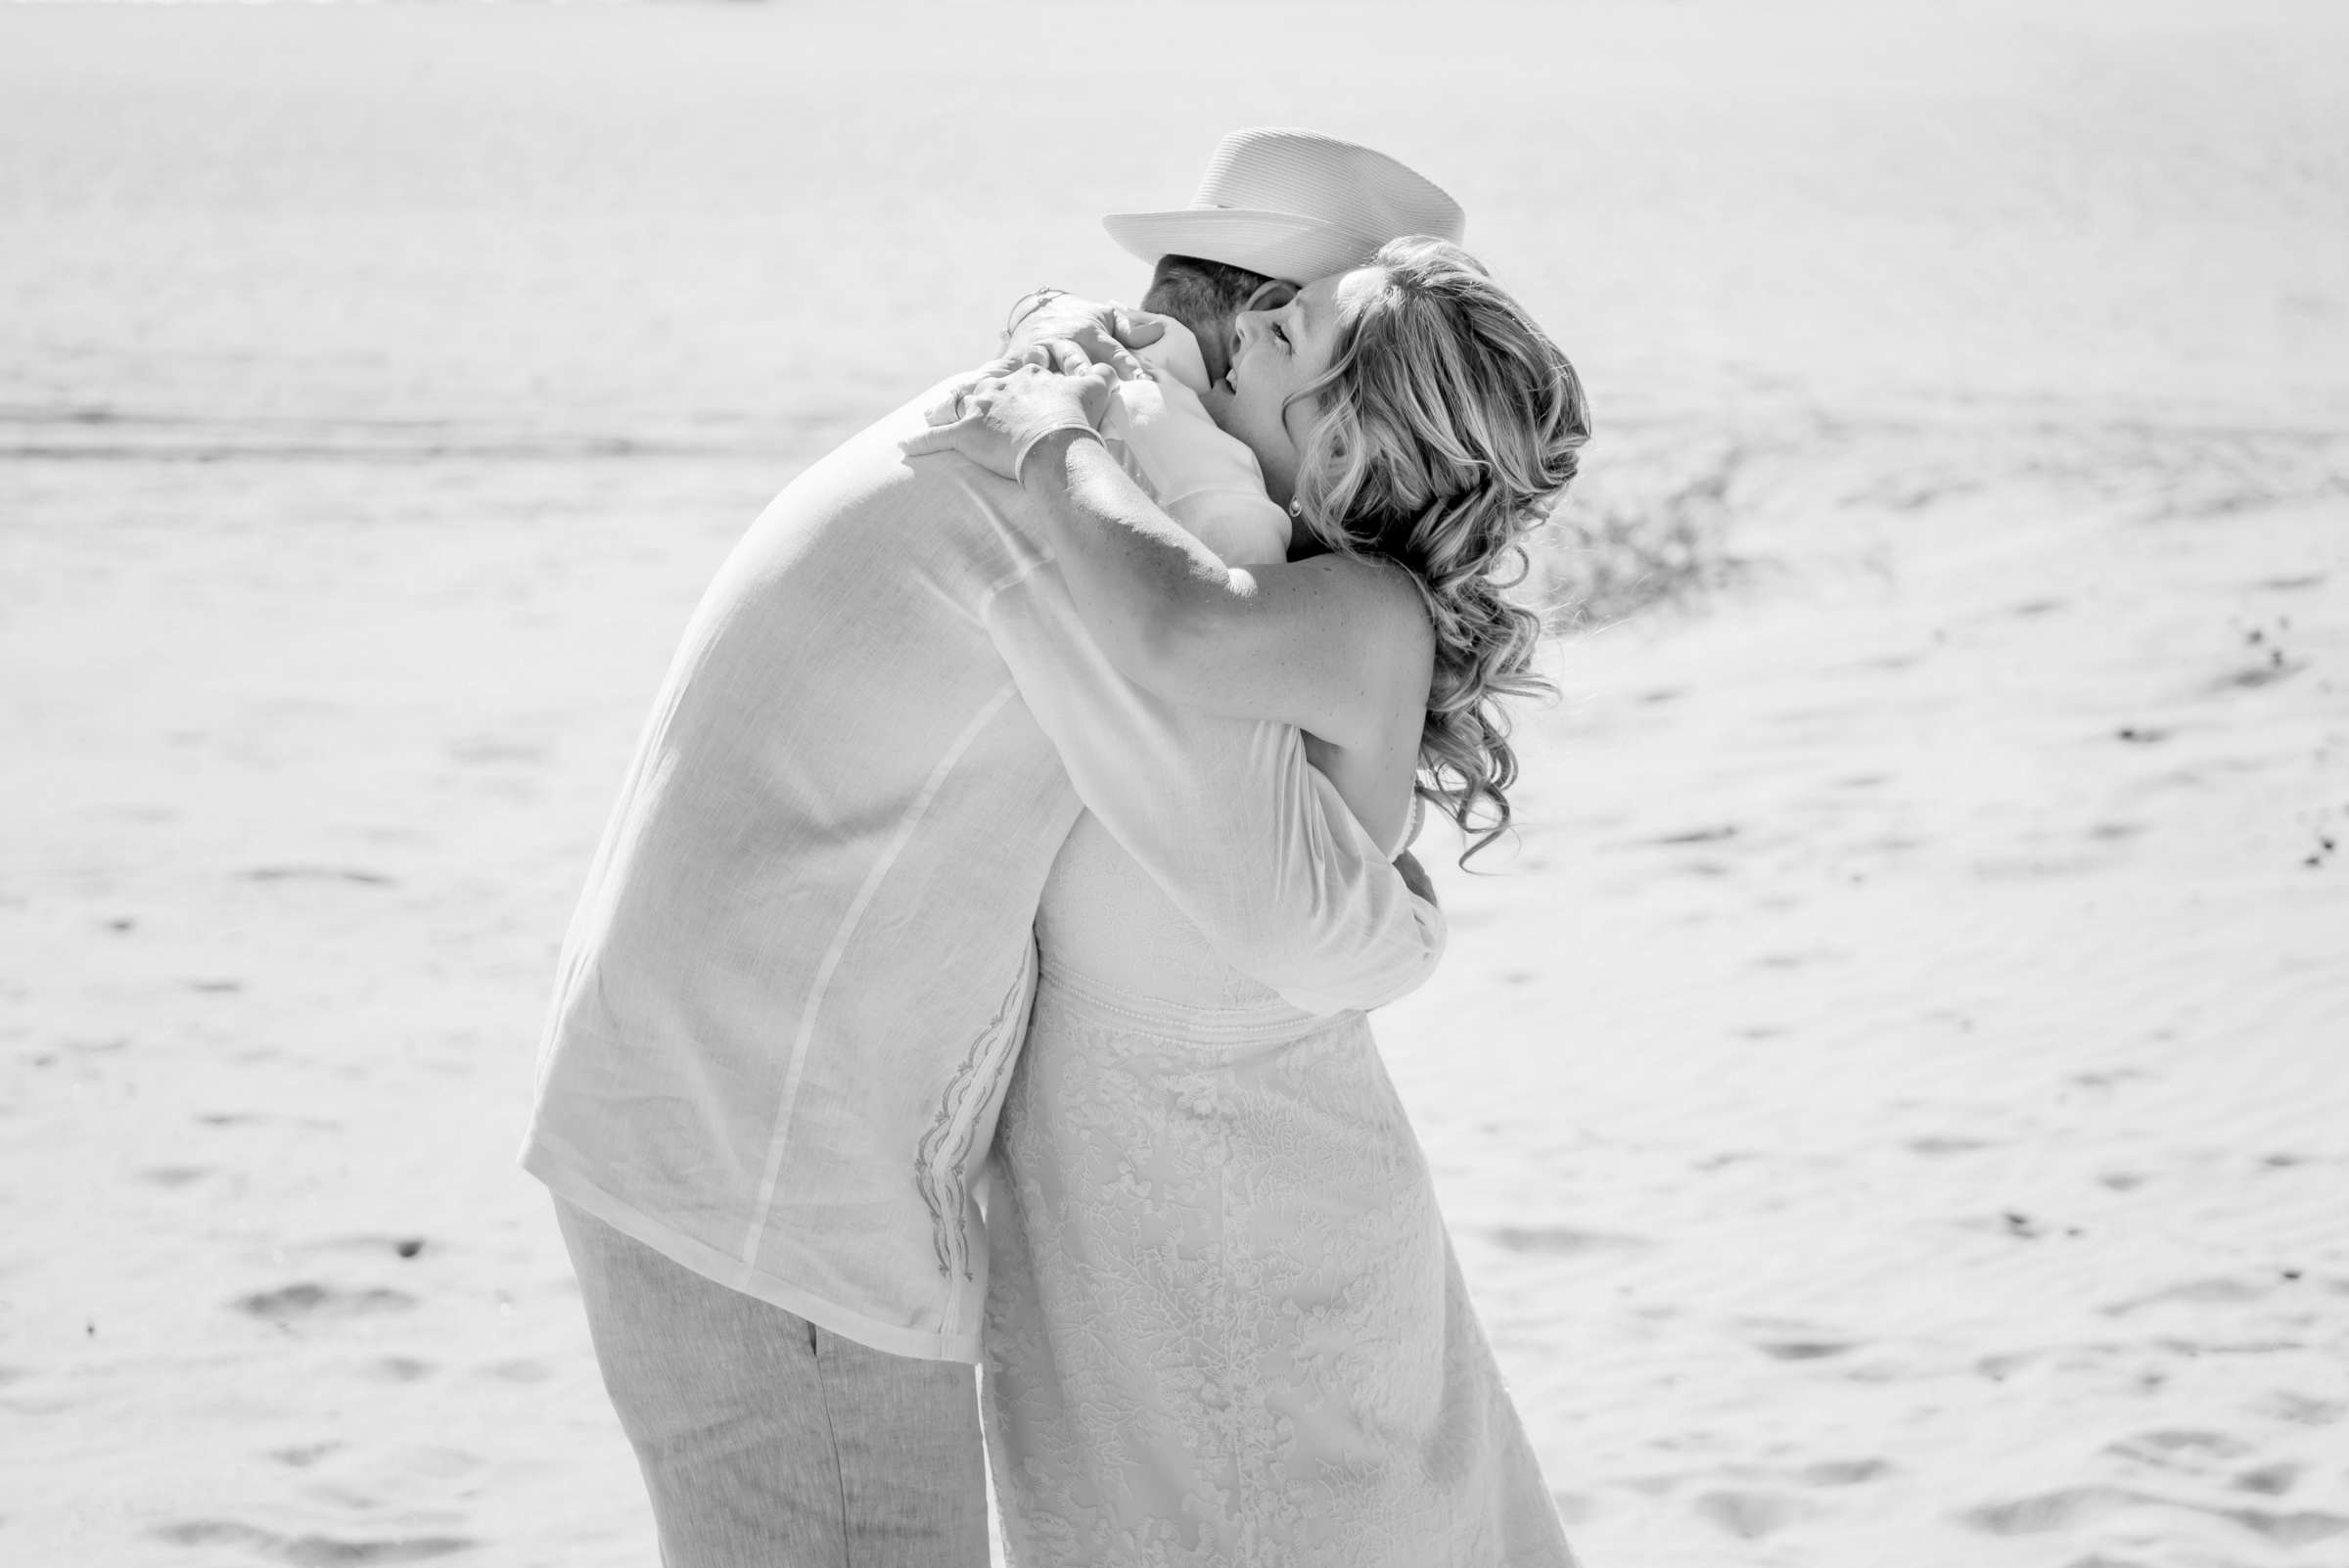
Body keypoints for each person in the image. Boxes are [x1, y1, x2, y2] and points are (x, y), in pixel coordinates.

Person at [520, 128, 1466, 1566]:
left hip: (695, 1113)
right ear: (1269, 338)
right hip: (772, 1173)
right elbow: (1287, 920)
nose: (1362, 484)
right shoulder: (1147, 495)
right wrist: (1405, 915)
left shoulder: (1059, 405)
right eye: (1367, 397)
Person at [908, 234, 1590, 1564]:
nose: (1259, 313)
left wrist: (1053, 437)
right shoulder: (1265, 542)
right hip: (1160, 1211)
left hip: (1276, 1230)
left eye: (1296, 330)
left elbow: (1177, 627)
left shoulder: (1362, 610)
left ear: (1343, 439)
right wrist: (1075, 341)